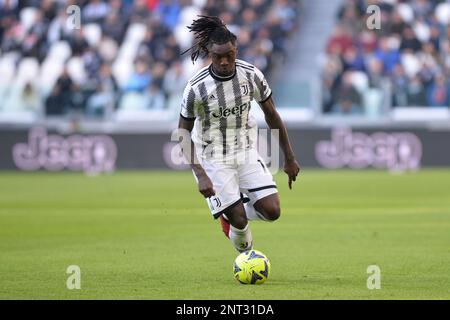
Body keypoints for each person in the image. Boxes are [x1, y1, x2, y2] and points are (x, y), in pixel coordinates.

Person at [177, 16, 300, 252]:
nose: (224, 61)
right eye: (218, 57)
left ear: (236, 50)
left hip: (245, 151)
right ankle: (245, 254)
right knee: (240, 221)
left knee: (273, 211)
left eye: (229, 55)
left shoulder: (251, 75)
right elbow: (183, 132)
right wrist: (200, 174)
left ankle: (232, 208)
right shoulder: (196, 88)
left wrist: (289, 157)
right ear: (209, 54)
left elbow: (272, 115)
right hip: (213, 159)